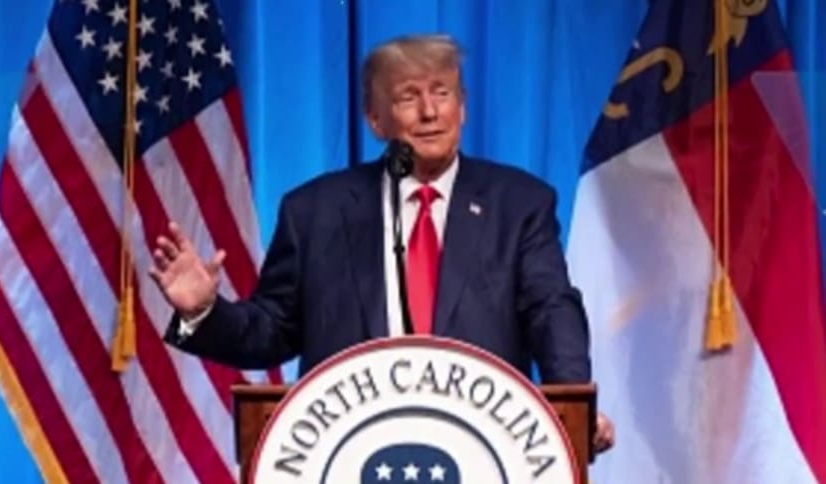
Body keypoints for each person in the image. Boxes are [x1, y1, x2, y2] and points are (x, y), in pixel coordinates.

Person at [150, 34, 614, 451]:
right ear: (376, 119)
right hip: (348, 449)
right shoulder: (314, 212)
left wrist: (572, 406)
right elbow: (272, 331)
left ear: (463, 108)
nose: (430, 112)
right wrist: (203, 312)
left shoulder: (519, 204)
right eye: (409, 96)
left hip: (483, 448)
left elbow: (551, 311)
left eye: (442, 93)